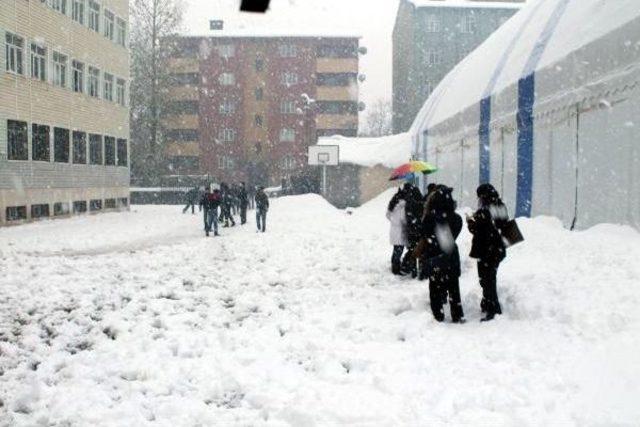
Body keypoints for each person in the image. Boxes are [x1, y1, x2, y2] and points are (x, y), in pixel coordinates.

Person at [420, 185, 465, 323]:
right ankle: (457, 314)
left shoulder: (429, 218)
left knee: (435, 287)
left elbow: (425, 235)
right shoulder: (456, 218)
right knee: (453, 287)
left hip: (434, 257)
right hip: (451, 256)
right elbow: (454, 233)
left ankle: (438, 315)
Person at [467, 183, 509, 322]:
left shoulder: (484, 211)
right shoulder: (500, 206)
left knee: (486, 280)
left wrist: (470, 222)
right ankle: (487, 303)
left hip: (486, 251)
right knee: (489, 278)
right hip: (497, 249)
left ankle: (493, 309)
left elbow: (478, 230)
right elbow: (503, 225)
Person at [401, 183, 424, 278]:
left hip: (411, 230)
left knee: (412, 251)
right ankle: (418, 271)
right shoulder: (420, 201)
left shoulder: (408, 202)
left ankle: (412, 270)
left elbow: (408, 217)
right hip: (419, 230)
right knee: (419, 250)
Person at [386, 187, 408, 275]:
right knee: (399, 250)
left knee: (396, 249)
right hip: (400, 231)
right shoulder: (403, 206)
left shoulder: (393, 204)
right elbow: (403, 219)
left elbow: (387, 215)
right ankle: (396, 269)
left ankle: (394, 265)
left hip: (393, 230)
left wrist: (393, 221)